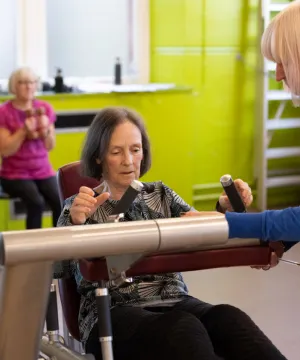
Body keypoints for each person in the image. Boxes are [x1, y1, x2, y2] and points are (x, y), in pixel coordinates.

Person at [55, 107, 287, 360]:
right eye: (116, 152)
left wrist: (224, 209)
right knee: (183, 328)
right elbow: (59, 270)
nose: (129, 161)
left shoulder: (161, 195)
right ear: (98, 156)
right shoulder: (77, 207)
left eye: (135, 149)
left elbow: (199, 229)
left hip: (174, 300)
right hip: (113, 311)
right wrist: (76, 225)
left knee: (230, 318)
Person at [0, 67, 61, 229]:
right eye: (23, 83)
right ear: (14, 86)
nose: (28, 87)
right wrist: (23, 131)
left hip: (42, 170)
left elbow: (50, 146)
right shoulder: (4, 111)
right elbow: (5, 150)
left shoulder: (45, 108)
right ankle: (35, 251)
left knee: (61, 201)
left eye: (32, 82)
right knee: (37, 203)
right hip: (14, 173)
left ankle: (62, 248)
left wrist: (46, 129)